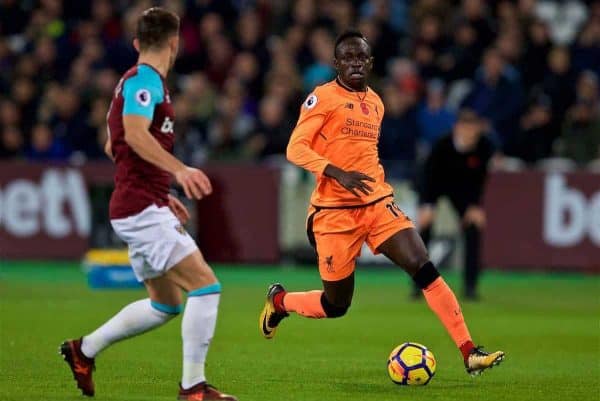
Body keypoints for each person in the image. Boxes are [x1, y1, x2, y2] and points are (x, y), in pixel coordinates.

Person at [259, 30, 504, 376]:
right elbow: (295, 148)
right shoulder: (322, 98)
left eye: (361, 58)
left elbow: (364, 152)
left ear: (370, 63)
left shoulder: (376, 102)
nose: (355, 63)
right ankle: (280, 302)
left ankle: (469, 352)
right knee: (336, 304)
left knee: (423, 265)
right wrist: (337, 173)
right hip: (333, 213)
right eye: (347, 58)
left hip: (376, 204)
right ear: (335, 64)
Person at [59, 8, 237, 401]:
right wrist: (178, 172)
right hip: (139, 208)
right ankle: (193, 388)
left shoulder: (129, 84)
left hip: (138, 202)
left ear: (137, 43)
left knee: (166, 304)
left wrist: (159, 189)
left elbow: (113, 146)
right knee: (205, 286)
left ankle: (83, 350)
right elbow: (136, 137)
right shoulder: (145, 82)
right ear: (175, 44)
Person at [416, 109, 496, 300]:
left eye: (473, 129)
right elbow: (428, 176)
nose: (469, 133)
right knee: (425, 230)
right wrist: (427, 204)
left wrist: (475, 206)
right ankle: (418, 284)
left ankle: (470, 287)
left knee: (473, 228)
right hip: (437, 185)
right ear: (457, 129)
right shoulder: (441, 146)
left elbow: (480, 178)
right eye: (465, 128)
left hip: (463, 191)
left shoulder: (484, 146)